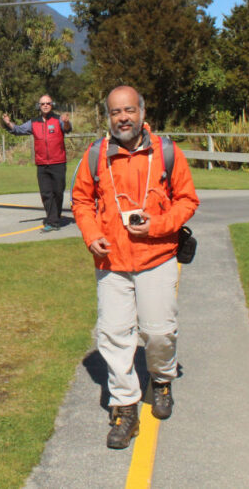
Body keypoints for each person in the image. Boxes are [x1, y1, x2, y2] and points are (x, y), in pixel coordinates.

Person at [70, 85, 199, 449]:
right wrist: (91, 233)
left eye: (129, 110)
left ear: (142, 112)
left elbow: (188, 200)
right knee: (113, 335)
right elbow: (81, 200)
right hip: (112, 260)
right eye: (115, 112)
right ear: (107, 117)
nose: (122, 118)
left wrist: (157, 226)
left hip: (156, 257)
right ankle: (125, 407)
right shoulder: (95, 155)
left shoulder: (168, 153)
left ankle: (160, 380)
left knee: (159, 333)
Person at [2, 95, 72, 232]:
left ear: (52, 105)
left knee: (58, 191)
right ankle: (52, 222)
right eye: (42, 104)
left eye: (48, 103)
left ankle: (54, 217)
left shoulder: (59, 120)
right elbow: (19, 130)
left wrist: (67, 122)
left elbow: (67, 129)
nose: (45, 105)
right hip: (41, 164)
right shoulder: (33, 122)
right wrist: (8, 123)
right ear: (38, 106)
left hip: (58, 162)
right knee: (46, 193)